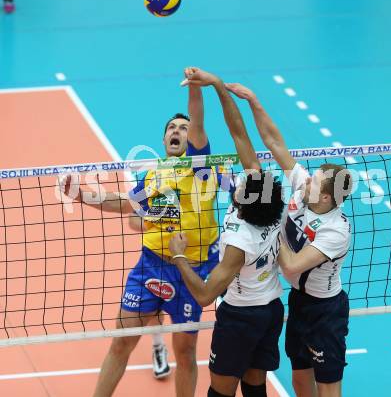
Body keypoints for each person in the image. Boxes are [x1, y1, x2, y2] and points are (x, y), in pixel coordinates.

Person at [63, 69, 221, 397]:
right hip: (148, 266)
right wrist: (82, 195)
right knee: (121, 344)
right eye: (171, 129)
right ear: (164, 141)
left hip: (188, 271)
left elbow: (198, 122)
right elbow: (125, 205)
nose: (178, 131)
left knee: (186, 354)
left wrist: (195, 88)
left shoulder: (200, 167)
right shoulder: (151, 177)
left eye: (183, 127)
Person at [226, 83, 352, 397]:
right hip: (298, 303)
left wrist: (268, 226)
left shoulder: (335, 231)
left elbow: (293, 264)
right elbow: (273, 140)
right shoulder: (302, 191)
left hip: (325, 312)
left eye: (315, 180)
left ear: (325, 196)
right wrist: (254, 101)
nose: (307, 177)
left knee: (328, 387)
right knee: (299, 381)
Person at [168, 68, 285, 397]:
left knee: (220, 392)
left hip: (240, 316)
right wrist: (218, 85)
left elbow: (205, 296)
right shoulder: (265, 206)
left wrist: (179, 256)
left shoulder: (239, 240)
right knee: (254, 387)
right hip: (272, 307)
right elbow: (239, 133)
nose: (240, 177)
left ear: (243, 202)